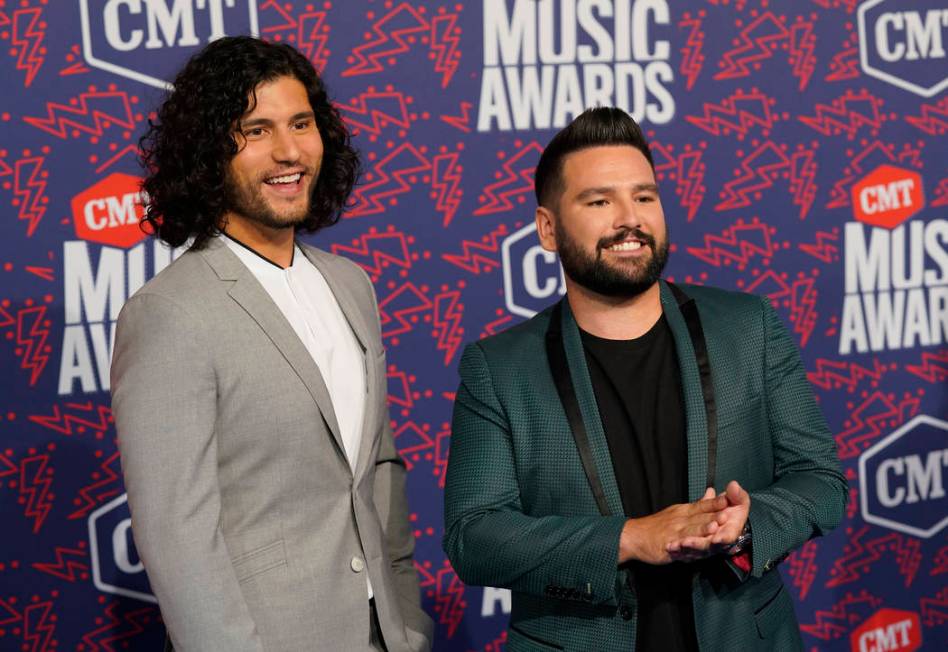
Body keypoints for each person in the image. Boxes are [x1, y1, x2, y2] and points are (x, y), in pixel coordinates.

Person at [443, 107, 846, 651]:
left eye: (644, 196)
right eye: (599, 200)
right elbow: (475, 537)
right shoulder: (500, 368)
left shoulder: (749, 327)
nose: (629, 218)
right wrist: (631, 539)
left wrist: (749, 525)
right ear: (547, 229)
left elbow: (821, 481)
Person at [111, 36, 432, 652]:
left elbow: (377, 473)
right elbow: (178, 538)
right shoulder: (169, 314)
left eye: (301, 123)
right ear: (209, 153)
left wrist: (407, 620)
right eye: (256, 130)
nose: (290, 151)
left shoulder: (351, 285)